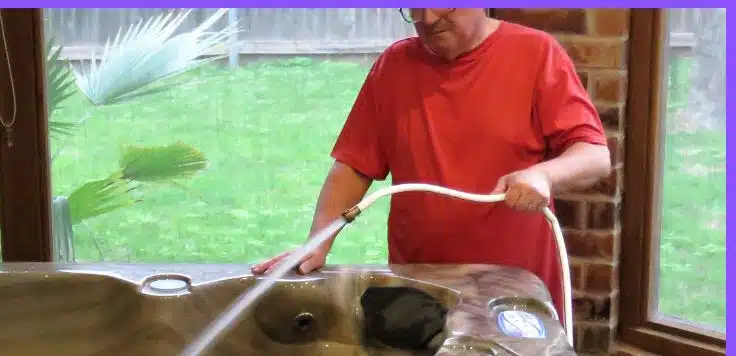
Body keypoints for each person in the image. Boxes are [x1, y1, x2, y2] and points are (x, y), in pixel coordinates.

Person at [251, 8, 612, 324]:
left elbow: (595, 155)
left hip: (513, 293)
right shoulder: (394, 65)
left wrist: (543, 175)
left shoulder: (536, 53)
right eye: (414, 7)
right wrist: (318, 241)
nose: (426, 18)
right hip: (418, 293)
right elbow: (354, 165)